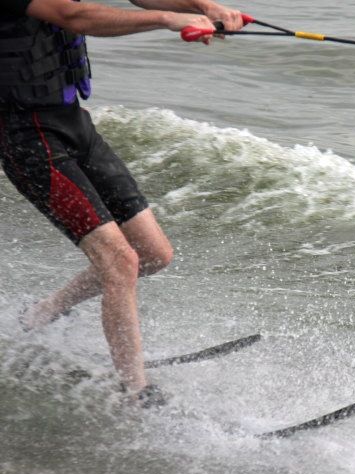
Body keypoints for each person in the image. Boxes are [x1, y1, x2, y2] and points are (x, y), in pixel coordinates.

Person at [0, 0, 245, 405]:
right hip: (25, 135)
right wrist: (167, 20)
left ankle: (41, 313)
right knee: (119, 262)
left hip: (72, 123)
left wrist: (200, 5)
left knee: (152, 253)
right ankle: (134, 394)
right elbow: (73, 16)